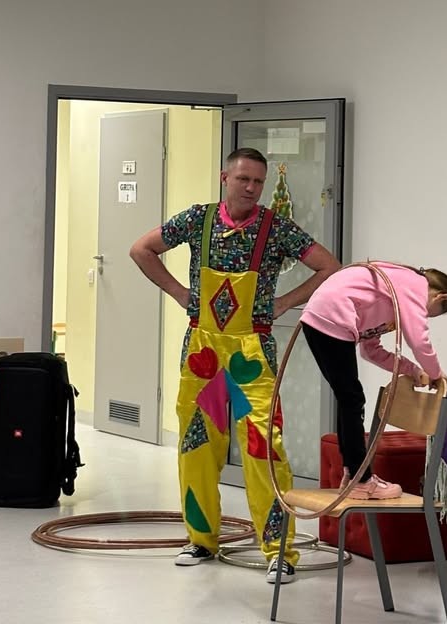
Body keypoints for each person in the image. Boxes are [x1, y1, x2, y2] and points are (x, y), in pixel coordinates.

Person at [130, 147, 340, 584]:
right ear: (225, 177)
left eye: (258, 181)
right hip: (202, 351)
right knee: (196, 445)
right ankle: (200, 540)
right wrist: (179, 293)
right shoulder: (197, 219)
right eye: (244, 179)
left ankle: (279, 552)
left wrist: (284, 302)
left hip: (252, 354)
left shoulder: (276, 228)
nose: (251, 188)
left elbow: (329, 267)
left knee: (265, 449)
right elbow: (141, 249)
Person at [300, 262, 447, 499]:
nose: (422, 316)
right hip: (334, 316)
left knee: (348, 398)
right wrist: (435, 373)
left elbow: (371, 351)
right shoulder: (416, 284)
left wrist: (413, 370)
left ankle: (353, 474)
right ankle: (361, 480)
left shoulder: (391, 296)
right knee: (352, 399)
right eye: (428, 313)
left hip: (318, 318)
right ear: (439, 296)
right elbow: (419, 340)